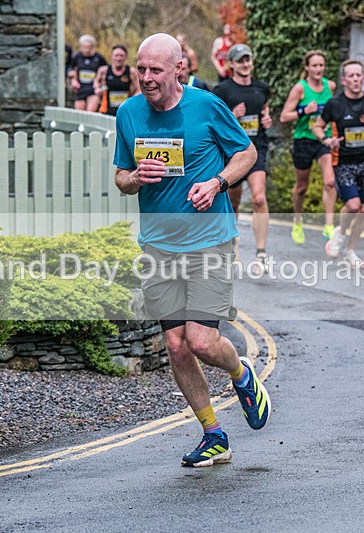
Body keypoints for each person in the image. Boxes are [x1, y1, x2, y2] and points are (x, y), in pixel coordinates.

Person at [114, 33, 271, 468]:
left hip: (209, 241)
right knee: (176, 344)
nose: (146, 78)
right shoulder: (127, 114)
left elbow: (247, 153)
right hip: (158, 246)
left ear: (178, 69)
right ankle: (213, 435)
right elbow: (120, 177)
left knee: (201, 341)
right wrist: (135, 178)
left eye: (155, 70)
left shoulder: (206, 106)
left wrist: (218, 182)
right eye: (141, 69)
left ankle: (240, 374)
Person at [312, 59, 364, 268]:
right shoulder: (335, 104)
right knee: (353, 205)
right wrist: (327, 140)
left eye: (359, 75)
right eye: (351, 75)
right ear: (344, 80)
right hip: (344, 163)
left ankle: (350, 251)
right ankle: (340, 233)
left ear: (363, 78)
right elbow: (317, 126)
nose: (356, 79)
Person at [213, 44, 272, 272]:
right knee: (233, 202)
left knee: (259, 198)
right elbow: (215, 121)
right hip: (233, 153)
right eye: (240, 61)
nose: (245, 64)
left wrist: (266, 120)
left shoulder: (262, 88)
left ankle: (261, 253)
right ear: (232, 64)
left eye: (248, 60)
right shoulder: (222, 90)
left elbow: (264, 112)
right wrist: (232, 115)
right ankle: (233, 245)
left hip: (257, 147)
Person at [279, 50, 338, 247]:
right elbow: (284, 116)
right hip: (303, 140)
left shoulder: (330, 87)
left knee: (330, 181)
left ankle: (329, 226)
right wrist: (305, 111)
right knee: (301, 187)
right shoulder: (300, 89)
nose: (318, 69)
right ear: (307, 68)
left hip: (324, 140)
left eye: (321, 65)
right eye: (314, 65)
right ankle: (297, 220)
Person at [93, 45, 140, 117]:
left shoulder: (131, 71)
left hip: (124, 110)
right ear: (112, 56)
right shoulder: (104, 70)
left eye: (121, 56)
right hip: (107, 110)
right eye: (116, 55)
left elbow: (139, 88)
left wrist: (132, 101)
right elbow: (96, 81)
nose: (119, 58)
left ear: (125, 57)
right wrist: (97, 89)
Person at [68, 35, 106, 112]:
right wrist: (73, 80)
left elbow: (106, 71)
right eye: (84, 47)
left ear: (92, 47)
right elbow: (69, 69)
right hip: (80, 89)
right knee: (80, 114)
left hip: (93, 90)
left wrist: (101, 86)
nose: (86, 50)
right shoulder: (77, 56)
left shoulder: (98, 57)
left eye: (89, 47)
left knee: (90, 114)